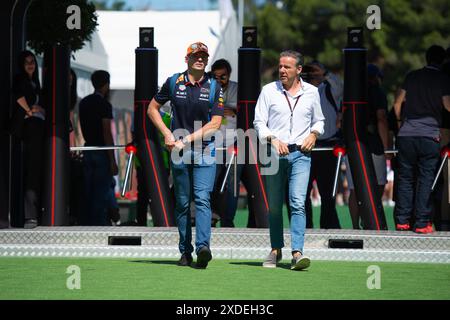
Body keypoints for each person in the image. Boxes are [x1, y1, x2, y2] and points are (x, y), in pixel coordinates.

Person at [147, 42, 223, 269]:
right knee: (181, 203)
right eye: (196, 55)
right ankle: (185, 251)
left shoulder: (214, 86)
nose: (200, 59)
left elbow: (216, 123)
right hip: (178, 152)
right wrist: (167, 134)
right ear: (187, 59)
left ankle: (202, 248)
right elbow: (152, 109)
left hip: (204, 150)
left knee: (202, 199)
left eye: (204, 56)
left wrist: (186, 140)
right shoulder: (173, 82)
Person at [254, 50, 324, 270]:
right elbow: (258, 122)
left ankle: (297, 252)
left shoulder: (312, 92)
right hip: (273, 153)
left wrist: (313, 134)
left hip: (301, 155)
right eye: (280, 66)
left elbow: (319, 120)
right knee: (274, 206)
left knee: (297, 203)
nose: (282, 70)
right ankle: (276, 250)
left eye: (287, 67)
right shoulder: (268, 91)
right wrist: (273, 140)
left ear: (299, 70)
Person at [393, 45, 450, 234]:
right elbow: (447, 104)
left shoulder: (412, 76)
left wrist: (401, 122)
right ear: (442, 61)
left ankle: (402, 221)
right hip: (429, 135)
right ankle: (422, 223)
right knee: (426, 179)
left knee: (405, 179)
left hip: (407, 134)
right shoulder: (443, 78)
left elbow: (397, 102)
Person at [346, 63, 391, 229]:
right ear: (375, 78)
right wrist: (386, 147)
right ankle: (370, 219)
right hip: (373, 144)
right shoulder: (377, 92)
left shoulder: (349, 93)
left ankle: (354, 226)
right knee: (378, 184)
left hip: (352, 144)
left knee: (354, 188)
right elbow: (381, 119)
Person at [302, 61, 342, 229]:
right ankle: (305, 227)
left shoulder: (331, 88)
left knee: (328, 192)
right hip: (305, 146)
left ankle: (329, 226)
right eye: (309, 71)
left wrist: (324, 73)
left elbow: (341, 86)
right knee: (302, 192)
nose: (313, 74)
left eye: (315, 71)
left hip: (327, 145)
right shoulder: (300, 89)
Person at [79, 70, 118, 226]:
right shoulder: (104, 105)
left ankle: (86, 224)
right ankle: (98, 226)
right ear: (106, 85)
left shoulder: (84, 102)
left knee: (88, 191)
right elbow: (107, 132)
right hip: (102, 152)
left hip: (88, 149)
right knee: (100, 193)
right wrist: (113, 160)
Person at [11, 50, 46, 229]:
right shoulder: (21, 81)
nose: (31, 64)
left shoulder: (36, 83)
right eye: (27, 62)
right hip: (28, 129)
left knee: (36, 170)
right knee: (30, 171)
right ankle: (29, 216)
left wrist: (39, 109)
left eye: (32, 61)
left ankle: (34, 214)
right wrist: (29, 110)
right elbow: (18, 96)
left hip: (38, 128)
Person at [210, 59, 239, 227]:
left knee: (231, 185)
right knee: (210, 182)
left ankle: (228, 221)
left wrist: (234, 110)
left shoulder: (237, 89)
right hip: (213, 144)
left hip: (234, 143)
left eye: (223, 77)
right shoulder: (208, 89)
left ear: (229, 75)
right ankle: (212, 217)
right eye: (216, 77)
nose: (220, 80)